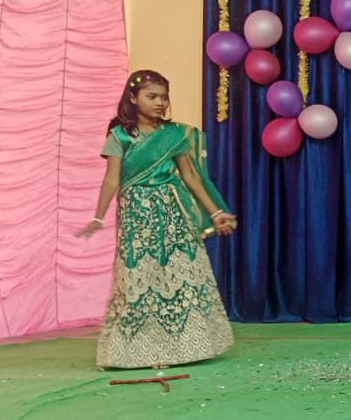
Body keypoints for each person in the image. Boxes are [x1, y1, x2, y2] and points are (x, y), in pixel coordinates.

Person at [77, 70, 237, 370]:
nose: (160, 103)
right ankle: (135, 351)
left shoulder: (173, 135)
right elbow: (111, 180)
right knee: (140, 277)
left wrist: (215, 212)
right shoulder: (120, 136)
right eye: (152, 97)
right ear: (133, 98)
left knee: (181, 273)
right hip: (137, 215)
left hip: (173, 212)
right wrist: (98, 216)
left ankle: (188, 345)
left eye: (163, 97)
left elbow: (191, 177)